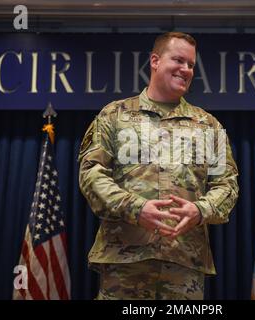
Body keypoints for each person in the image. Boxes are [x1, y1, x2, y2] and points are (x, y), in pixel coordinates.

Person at [78, 32, 239, 300]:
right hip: (124, 260)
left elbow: (228, 184)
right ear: (155, 61)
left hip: (184, 263)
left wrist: (200, 210)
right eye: (178, 60)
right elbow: (91, 174)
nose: (185, 69)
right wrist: (135, 207)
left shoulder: (208, 124)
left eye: (190, 64)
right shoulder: (114, 115)